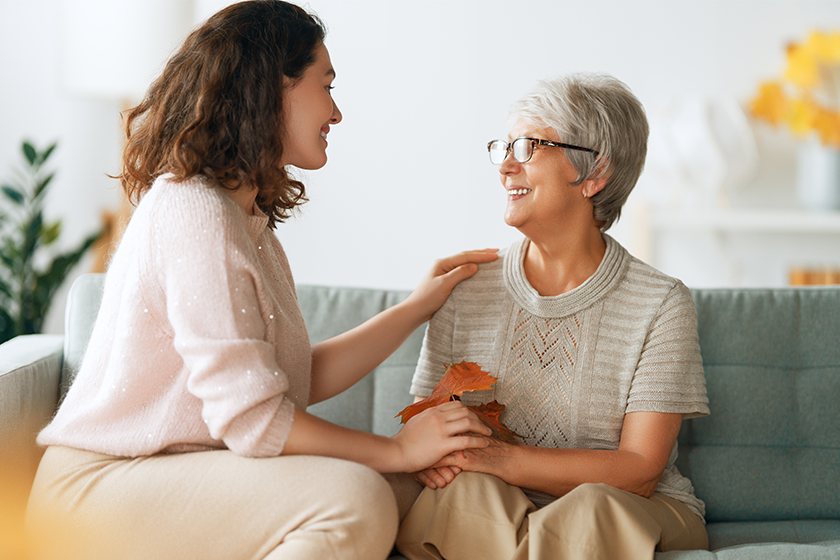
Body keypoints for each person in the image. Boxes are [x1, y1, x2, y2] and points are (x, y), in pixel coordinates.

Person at [25, 2, 496, 559]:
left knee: (408, 489)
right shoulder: (190, 210)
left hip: (184, 474)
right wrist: (394, 449)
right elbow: (255, 421)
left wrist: (417, 307)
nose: (337, 112)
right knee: (356, 495)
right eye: (327, 84)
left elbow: (290, 380)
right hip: (103, 488)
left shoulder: (247, 223)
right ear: (272, 88)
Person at [395, 74, 710, 560]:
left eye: (527, 147)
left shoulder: (661, 303)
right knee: (459, 494)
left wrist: (503, 459)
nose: (504, 166)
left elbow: (640, 469)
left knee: (592, 509)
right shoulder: (466, 287)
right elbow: (425, 434)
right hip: (498, 506)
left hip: (631, 510)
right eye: (502, 147)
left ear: (594, 174)